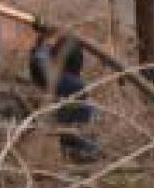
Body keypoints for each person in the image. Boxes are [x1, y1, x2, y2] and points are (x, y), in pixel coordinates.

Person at [29, 31, 101, 163]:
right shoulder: (70, 82)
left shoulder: (52, 66)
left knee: (81, 116)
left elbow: (41, 57)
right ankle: (82, 151)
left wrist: (42, 42)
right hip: (80, 142)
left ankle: (80, 151)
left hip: (77, 137)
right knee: (80, 120)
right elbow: (41, 60)